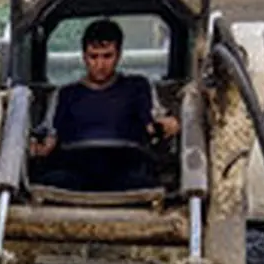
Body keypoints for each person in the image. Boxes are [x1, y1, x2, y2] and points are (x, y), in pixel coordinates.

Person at [31, 18, 180, 192]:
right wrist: (38, 146)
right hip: (74, 172)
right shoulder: (65, 95)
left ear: (119, 54)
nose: (100, 65)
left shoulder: (138, 87)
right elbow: (50, 137)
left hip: (126, 168)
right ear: (84, 56)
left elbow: (156, 122)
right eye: (93, 57)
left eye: (107, 56)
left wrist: (167, 125)